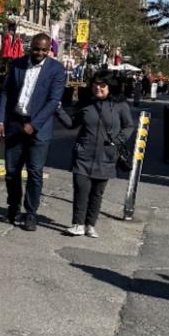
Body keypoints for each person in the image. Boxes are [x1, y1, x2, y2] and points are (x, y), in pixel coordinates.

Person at [0, 32, 66, 231]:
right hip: (15, 124)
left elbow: (54, 101)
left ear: (49, 50)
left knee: (34, 172)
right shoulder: (17, 64)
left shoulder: (56, 69)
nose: (40, 52)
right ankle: (13, 207)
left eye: (44, 50)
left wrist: (34, 124)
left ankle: (31, 213)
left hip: (38, 128)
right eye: (37, 48)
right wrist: (0, 119)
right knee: (11, 171)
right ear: (31, 47)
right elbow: (6, 93)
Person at [63, 74, 134, 238]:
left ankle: (90, 225)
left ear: (110, 87)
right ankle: (78, 224)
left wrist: (118, 140)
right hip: (83, 154)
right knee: (81, 189)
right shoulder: (86, 103)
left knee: (96, 193)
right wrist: (58, 109)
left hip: (107, 156)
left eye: (102, 85)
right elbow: (71, 123)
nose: (98, 88)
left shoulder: (120, 105)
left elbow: (129, 126)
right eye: (95, 85)